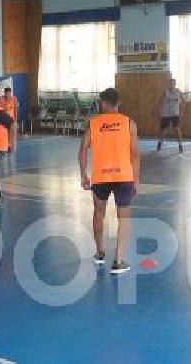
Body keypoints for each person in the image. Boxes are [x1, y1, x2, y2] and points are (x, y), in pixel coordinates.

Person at [78, 88, 140, 275]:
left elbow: (82, 150)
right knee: (124, 219)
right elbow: (135, 154)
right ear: (118, 102)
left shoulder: (94, 123)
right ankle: (118, 261)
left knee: (98, 213)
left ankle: (99, 253)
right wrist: (136, 180)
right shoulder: (129, 123)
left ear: (103, 103)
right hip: (124, 176)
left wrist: (83, 175)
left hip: (101, 177)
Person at [156, 78, 185, 153]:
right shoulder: (165, 93)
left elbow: (183, 103)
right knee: (163, 131)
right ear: (168, 84)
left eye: (173, 84)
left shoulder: (179, 93)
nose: (171, 85)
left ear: (175, 84)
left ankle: (180, 145)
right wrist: (160, 113)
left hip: (175, 114)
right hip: (166, 114)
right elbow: (159, 103)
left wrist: (181, 112)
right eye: (170, 83)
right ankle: (159, 143)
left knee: (177, 130)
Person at [0, 87, 19, 152]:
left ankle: (10, 146)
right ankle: (3, 146)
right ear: (4, 93)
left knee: (11, 134)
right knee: (3, 134)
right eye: (6, 93)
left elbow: (16, 109)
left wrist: (16, 119)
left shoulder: (14, 99)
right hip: (3, 119)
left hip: (11, 119)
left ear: (10, 93)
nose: (8, 95)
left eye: (9, 93)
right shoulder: (0, 99)